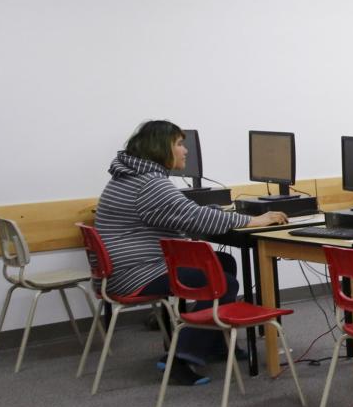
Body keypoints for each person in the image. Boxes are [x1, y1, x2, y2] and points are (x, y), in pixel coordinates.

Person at [95, 120, 288, 385]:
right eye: (178, 144)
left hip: (126, 268)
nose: (185, 150)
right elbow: (194, 217)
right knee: (223, 282)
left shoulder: (129, 176)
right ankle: (181, 358)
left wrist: (221, 216)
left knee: (223, 261)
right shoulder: (150, 183)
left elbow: (185, 214)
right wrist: (253, 221)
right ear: (161, 148)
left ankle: (214, 343)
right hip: (136, 273)